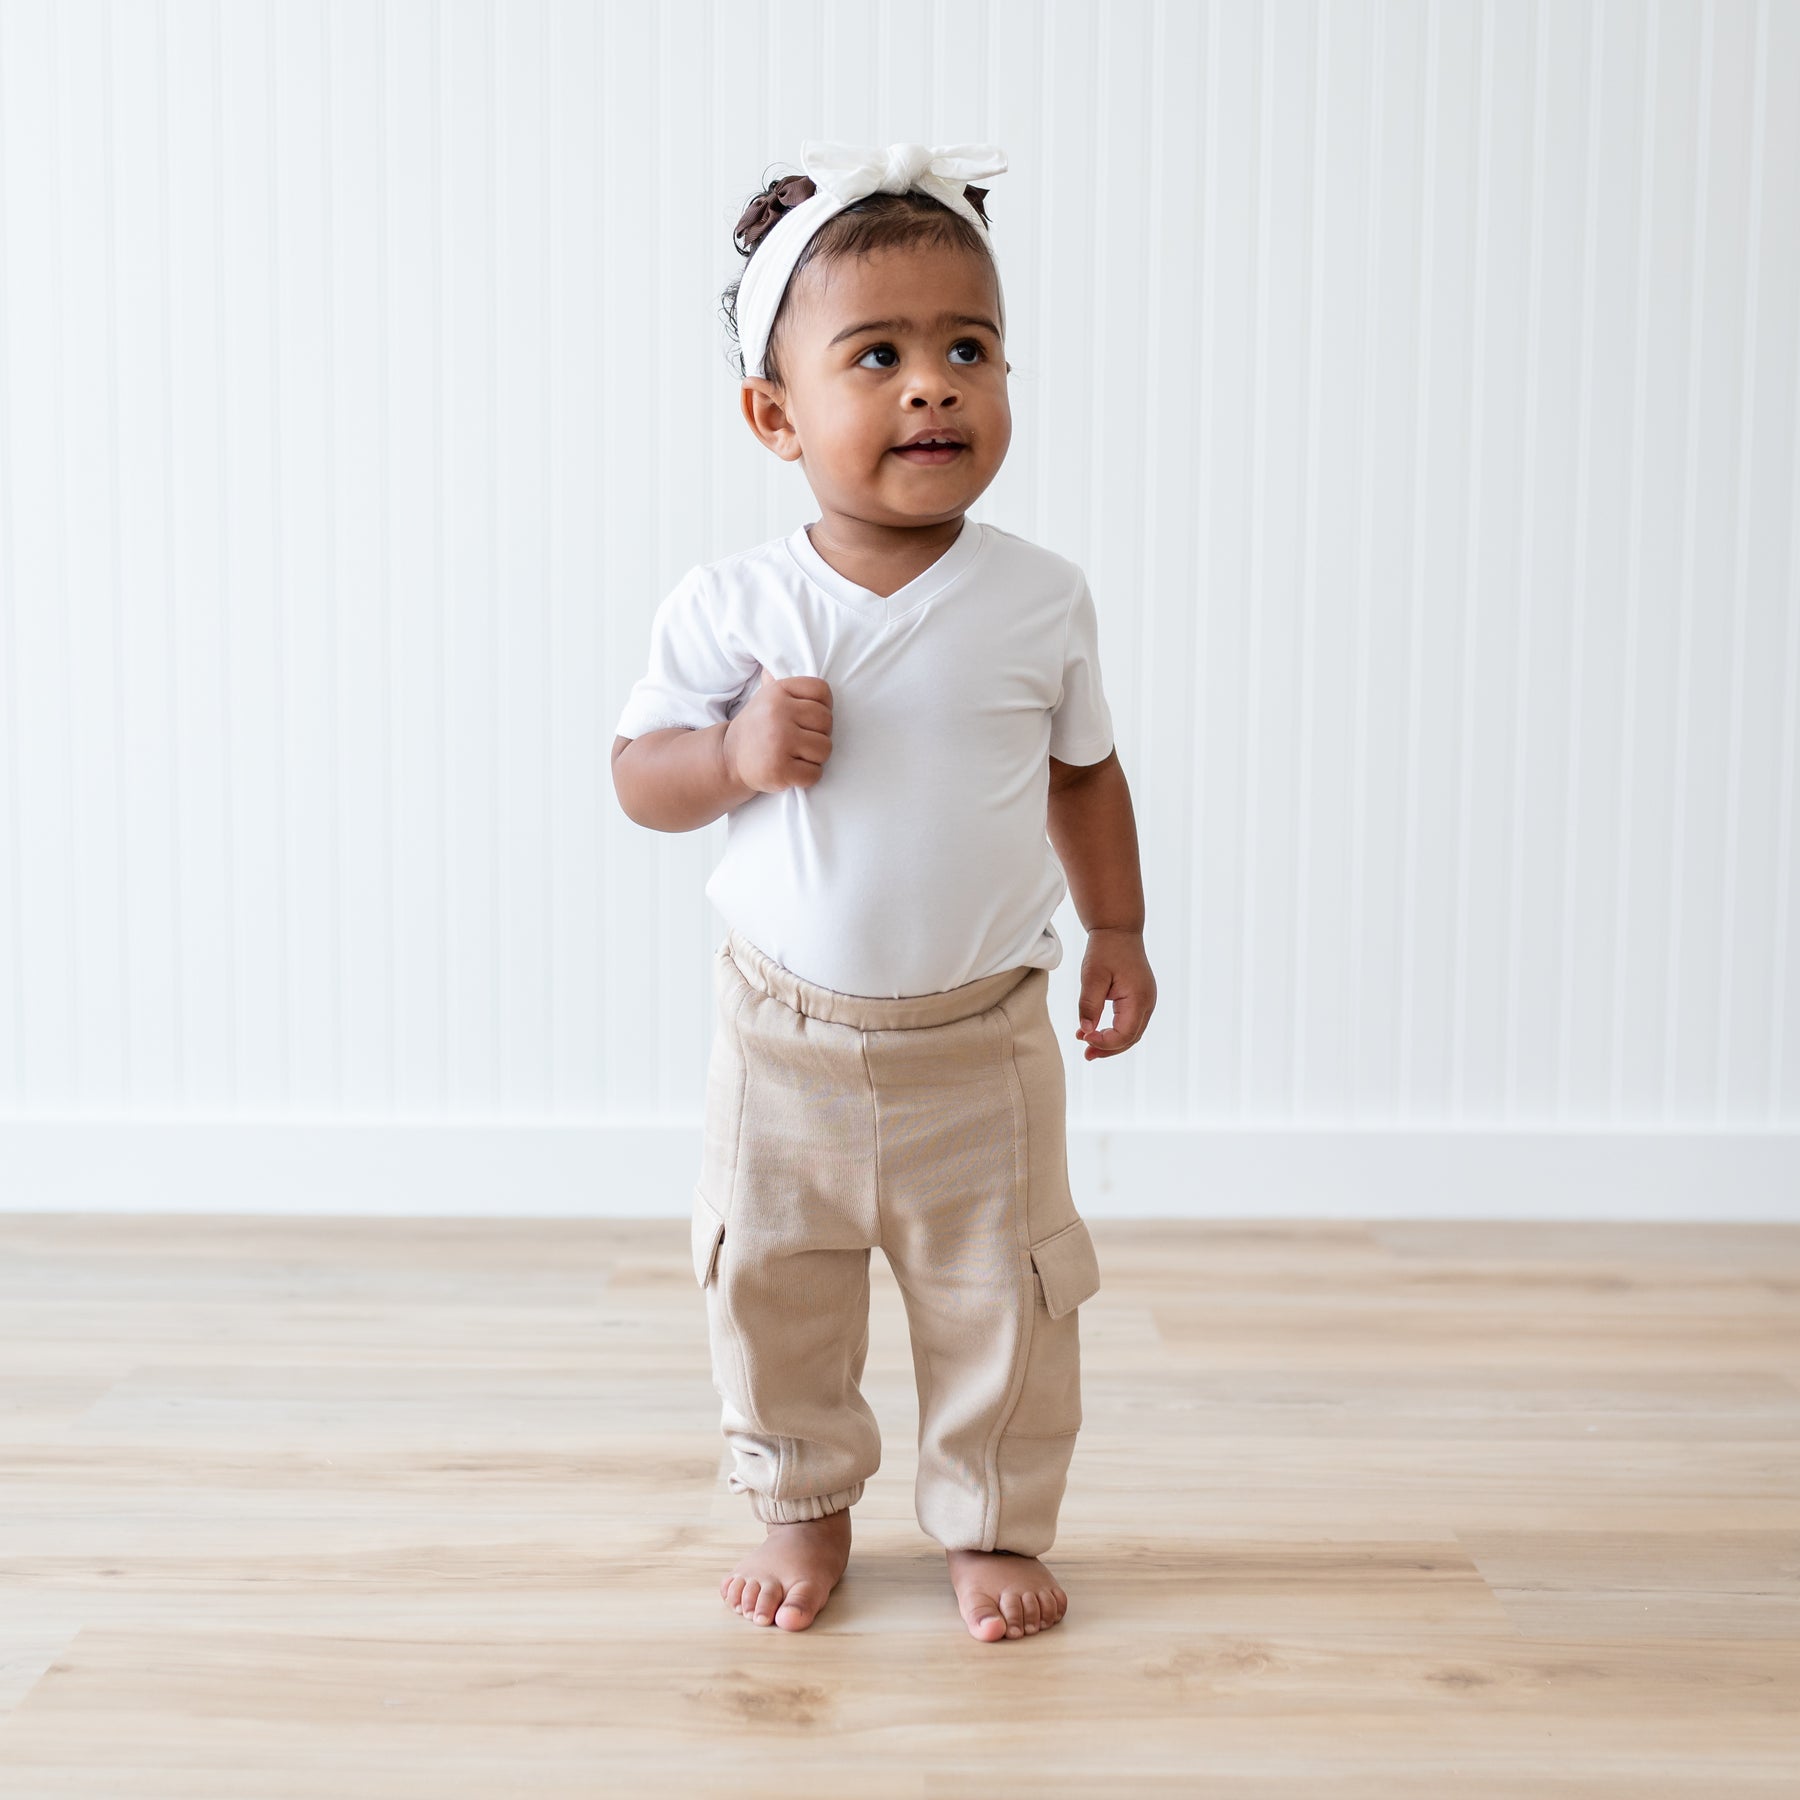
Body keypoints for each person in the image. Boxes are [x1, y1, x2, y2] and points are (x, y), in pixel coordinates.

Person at [611, 141, 1155, 1643]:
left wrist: (1117, 926)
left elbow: (1084, 775)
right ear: (775, 417)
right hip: (781, 1034)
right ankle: (801, 1502)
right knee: (771, 1283)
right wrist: (727, 755)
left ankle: (990, 1521)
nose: (935, 386)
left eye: (968, 349)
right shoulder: (736, 605)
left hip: (983, 1039)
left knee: (1010, 1300)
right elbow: (638, 780)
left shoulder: (1038, 597)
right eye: (881, 355)